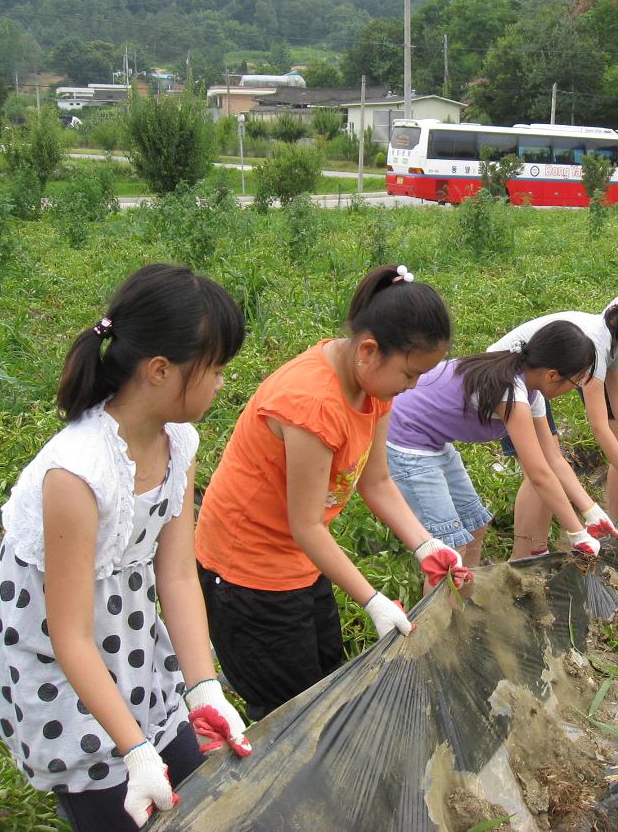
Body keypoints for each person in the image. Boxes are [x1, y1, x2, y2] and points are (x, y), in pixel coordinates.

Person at [0, 264, 252, 832]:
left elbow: (176, 574)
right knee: (115, 803)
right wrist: (133, 749)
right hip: (57, 657)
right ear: (160, 371)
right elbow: (69, 634)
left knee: (186, 769)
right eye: (218, 370)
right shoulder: (78, 473)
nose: (223, 384)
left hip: (126, 634)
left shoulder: (179, 440)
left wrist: (203, 688)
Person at [194, 265, 469, 722]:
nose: (412, 387)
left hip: (299, 557)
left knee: (325, 676)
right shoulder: (311, 405)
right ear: (368, 350)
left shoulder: (373, 386)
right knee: (290, 710)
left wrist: (425, 545)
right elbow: (305, 525)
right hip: (248, 572)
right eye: (409, 374)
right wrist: (372, 599)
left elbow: (375, 480)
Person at [386, 320, 617, 566]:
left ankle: (466, 601)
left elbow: (554, 459)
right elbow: (538, 473)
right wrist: (577, 533)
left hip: (433, 441)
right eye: (575, 382)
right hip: (406, 439)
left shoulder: (531, 392)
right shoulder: (510, 392)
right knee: (451, 550)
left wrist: (591, 512)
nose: (573, 389)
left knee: (476, 527)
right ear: (552, 375)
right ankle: (447, 604)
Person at [492, 283, 618, 529]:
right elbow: (599, 425)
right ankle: (525, 556)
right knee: (538, 472)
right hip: (506, 379)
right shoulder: (594, 344)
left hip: (532, 386)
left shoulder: (613, 347)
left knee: (549, 467)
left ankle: (536, 551)